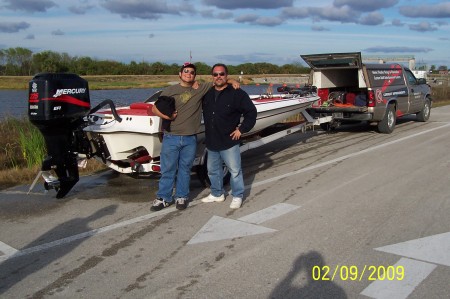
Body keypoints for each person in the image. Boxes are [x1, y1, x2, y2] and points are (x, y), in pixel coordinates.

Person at [150, 62, 239, 211]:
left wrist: (232, 81)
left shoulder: (200, 88)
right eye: (186, 71)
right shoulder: (170, 90)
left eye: (191, 72)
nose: (188, 74)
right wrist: (168, 116)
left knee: (185, 169)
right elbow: (154, 108)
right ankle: (163, 198)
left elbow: (218, 80)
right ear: (180, 74)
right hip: (171, 137)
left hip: (190, 138)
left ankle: (181, 196)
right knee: (168, 169)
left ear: (194, 76)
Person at [201, 63, 257, 209]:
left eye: (222, 74)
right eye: (215, 74)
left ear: (227, 75)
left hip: (229, 140)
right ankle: (217, 193)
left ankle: (237, 195)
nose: (218, 77)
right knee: (213, 170)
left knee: (234, 171)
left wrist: (241, 129)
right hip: (212, 141)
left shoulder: (237, 93)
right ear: (212, 77)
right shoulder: (206, 93)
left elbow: (251, 112)